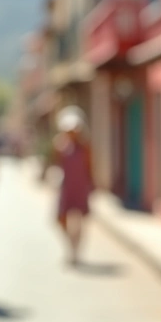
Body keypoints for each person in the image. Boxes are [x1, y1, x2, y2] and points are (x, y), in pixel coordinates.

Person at [45, 106, 94, 266]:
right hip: (66, 187)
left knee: (79, 221)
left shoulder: (85, 147)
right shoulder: (60, 146)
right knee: (61, 218)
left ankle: (75, 250)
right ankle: (70, 244)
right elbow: (54, 164)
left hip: (80, 186)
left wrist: (92, 184)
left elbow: (90, 166)